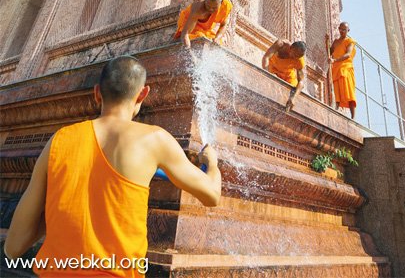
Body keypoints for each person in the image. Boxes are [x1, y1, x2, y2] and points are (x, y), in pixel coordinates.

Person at [4, 56, 221, 277]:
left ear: (97, 93)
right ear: (142, 94)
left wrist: (60, 202)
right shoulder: (154, 140)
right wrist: (211, 162)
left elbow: (13, 247)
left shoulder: (59, 141)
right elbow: (212, 196)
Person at [262, 39, 307, 112]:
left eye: (298, 57)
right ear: (291, 47)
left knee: (286, 100)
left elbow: (301, 81)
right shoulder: (280, 44)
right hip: (273, 71)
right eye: (295, 55)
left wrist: (294, 98)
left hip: (288, 78)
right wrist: (268, 76)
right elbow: (266, 58)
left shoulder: (299, 60)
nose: (296, 58)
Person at [329, 22, 356, 119]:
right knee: (336, 93)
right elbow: (330, 51)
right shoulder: (336, 41)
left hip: (345, 69)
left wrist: (334, 60)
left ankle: (353, 118)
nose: (342, 31)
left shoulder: (350, 41)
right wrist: (326, 42)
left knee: (348, 92)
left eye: (344, 30)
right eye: (341, 29)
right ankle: (334, 114)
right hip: (336, 69)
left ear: (348, 30)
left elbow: (348, 54)